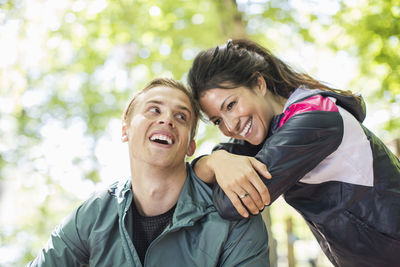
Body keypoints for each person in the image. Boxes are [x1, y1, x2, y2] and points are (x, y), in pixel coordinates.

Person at [188, 39, 400, 267]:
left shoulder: (315, 118)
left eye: (230, 105)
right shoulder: (271, 130)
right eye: (218, 120)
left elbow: (235, 203)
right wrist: (215, 161)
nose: (230, 126)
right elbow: (201, 174)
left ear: (259, 84)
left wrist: (219, 163)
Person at [29, 78, 270, 266]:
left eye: (181, 116)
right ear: (125, 130)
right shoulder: (93, 215)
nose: (167, 120)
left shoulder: (234, 216)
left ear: (190, 146)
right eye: (154, 110)